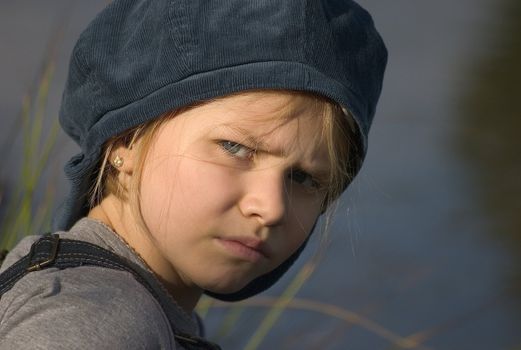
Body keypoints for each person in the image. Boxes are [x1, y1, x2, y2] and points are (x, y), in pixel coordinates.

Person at [0, 0, 387, 348]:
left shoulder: (127, 306)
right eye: (235, 148)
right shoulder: (98, 324)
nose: (270, 208)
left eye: (303, 178)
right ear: (125, 141)